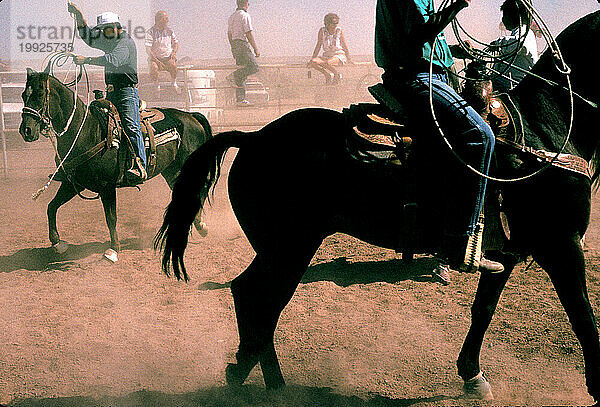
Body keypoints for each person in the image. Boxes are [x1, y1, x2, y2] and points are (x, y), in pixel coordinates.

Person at [372, 0, 504, 273]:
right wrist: (457, 4)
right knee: (482, 136)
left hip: (432, 74)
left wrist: (455, 50)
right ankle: (459, 242)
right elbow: (420, 32)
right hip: (416, 77)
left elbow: (423, 39)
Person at [67, 2, 147, 183]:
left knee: (131, 126)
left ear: (115, 28)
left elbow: (114, 60)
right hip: (112, 93)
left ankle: (139, 165)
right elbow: (88, 37)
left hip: (127, 93)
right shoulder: (112, 40)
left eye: (104, 30)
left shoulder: (125, 42)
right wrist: (79, 16)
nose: (102, 34)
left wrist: (86, 59)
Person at [490, 0, 538, 92]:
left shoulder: (525, 32)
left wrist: (499, 42)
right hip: (504, 87)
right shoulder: (518, 32)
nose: (502, 20)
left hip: (515, 89)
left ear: (513, 16)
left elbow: (521, 46)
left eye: (504, 15)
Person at [227, 0, 260, 105]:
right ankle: (233, 76)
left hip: (235, 45)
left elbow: (229, 34)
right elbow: (248, 33)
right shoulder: (245, 15)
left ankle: (240, 99)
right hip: (242, 44)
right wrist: (256, 48)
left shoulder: (231, 17)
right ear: (245, 4)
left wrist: (233, 48)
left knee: (241, 72)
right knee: (254, 66)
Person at [307, 13, 352, 84]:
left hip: (338, 55)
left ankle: (336, 74)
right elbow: (318, 45)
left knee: (327, 62)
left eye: (337, 23)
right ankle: (327, 75)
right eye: (334, 23)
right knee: (313, 62)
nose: (336, 25)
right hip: (326, 55)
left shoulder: (339, 30)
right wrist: (313, 58)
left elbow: (344, 45)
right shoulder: (322, 31)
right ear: (327, 23)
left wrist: (349, 59)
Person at [146, 10, 181, 94]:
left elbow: (176, 43)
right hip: (155, 58)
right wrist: (157, 61)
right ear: (159, 20)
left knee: (174, 67)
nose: (167, 20)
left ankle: (173, 83)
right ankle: (156, 86)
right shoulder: (150, 32)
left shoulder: (170, 31)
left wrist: (174, 52)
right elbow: (148, 49)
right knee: (153, 69)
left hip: (168, 57)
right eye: (165, 18)